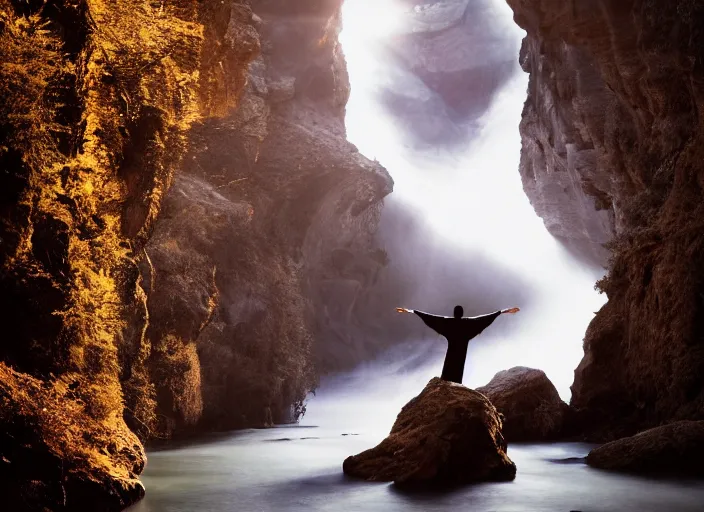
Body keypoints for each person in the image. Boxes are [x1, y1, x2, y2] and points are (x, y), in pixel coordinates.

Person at [396, 305, 520, 384]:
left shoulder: (448, 323)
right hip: (461, 352)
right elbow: (484, 318)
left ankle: (446, 384)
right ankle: (455, 385)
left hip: (452, 351)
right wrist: (503, 311)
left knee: (448, 369)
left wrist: (411, 311)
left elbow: (431, 318)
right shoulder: (468, 324)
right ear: (461, 313)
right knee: (458, 370)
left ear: (454, 313)